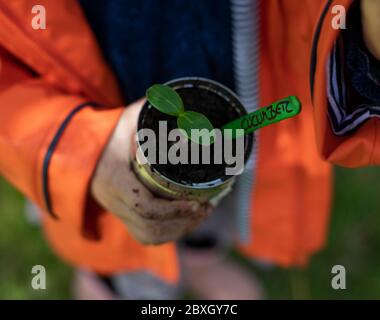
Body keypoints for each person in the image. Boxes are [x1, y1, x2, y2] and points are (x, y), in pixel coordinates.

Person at [0, 0, 379, 299]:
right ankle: (115, 283)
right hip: (93, 113)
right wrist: (80, 147)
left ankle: (199, 260)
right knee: (119, 228)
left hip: (238, 80)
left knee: (213, 203)